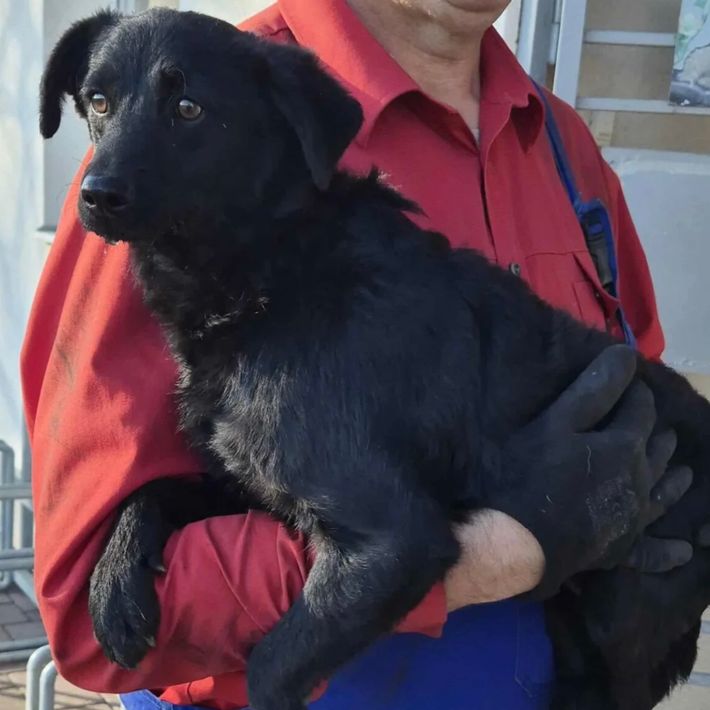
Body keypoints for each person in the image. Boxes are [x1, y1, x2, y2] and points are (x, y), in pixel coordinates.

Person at [21, 1, 697, 708]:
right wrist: (497, 552)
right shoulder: (191, 125)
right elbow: (87, 621)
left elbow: (637, 402)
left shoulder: (562, 147)